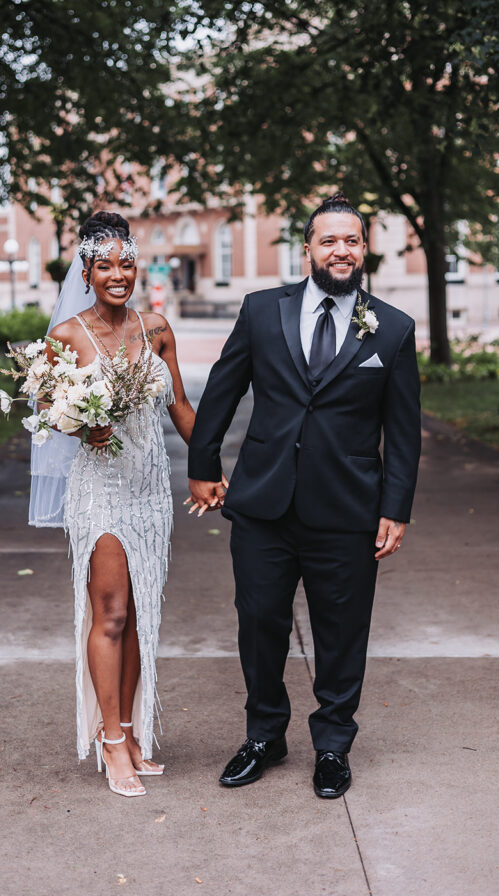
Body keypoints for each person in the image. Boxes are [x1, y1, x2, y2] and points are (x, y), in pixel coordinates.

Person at [187, 192, 421, 799]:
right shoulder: (262, 311)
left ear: (364, 248)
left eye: (351, 240)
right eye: (328, 240)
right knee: (259, 622)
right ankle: (265, 735)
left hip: (347, 510)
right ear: (308, 248)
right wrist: (202, 463)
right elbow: (223, 387)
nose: (340, 250)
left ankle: (334, 745)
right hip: (264, 504)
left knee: (342, 630)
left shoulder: (392, 328)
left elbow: (402, 428)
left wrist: (396, 506)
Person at [32, 210, 201, 798]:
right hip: (100, 490)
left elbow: (179, 406)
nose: (117, 274)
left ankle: (129, 733)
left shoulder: (155, 328)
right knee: (111, 615)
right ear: (86, 270)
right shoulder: (66, 337)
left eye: (126, 264)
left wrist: (210, 465)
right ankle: (109, 742)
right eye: (104, 265)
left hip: (151, 491)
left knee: (141, 619)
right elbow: (49, 414)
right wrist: (83, 428)